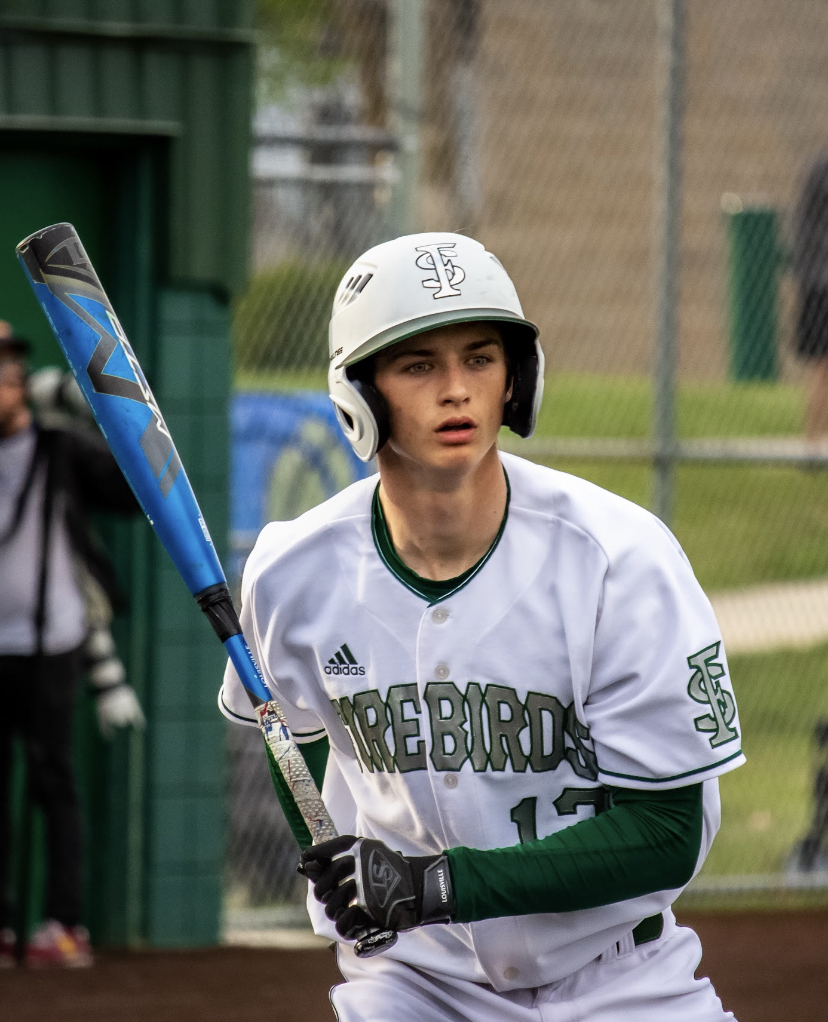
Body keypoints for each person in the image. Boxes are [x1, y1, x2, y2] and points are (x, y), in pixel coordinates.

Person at [219, 234, 744, 1021]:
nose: (457, 390)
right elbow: (291, 736)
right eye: (419, 365)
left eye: (481, 357)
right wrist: (339, 860)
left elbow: (666, 829)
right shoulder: (292, 571)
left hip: (618, 978)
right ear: (361, 394)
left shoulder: (619, 561)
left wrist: (434, 885)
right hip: (417, 983)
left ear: (515, 381)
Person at [0, 323, 144, 968]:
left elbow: (130, 486)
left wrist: (77, 396)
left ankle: (63, 924)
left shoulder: (58, 447)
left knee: (54, 781)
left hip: (53, 640)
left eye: (10, 367)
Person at [794, 153, 828, 443]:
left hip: (816, 279)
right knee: (820, 364)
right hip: (821, 285)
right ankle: (813, 440)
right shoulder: (820, 171)